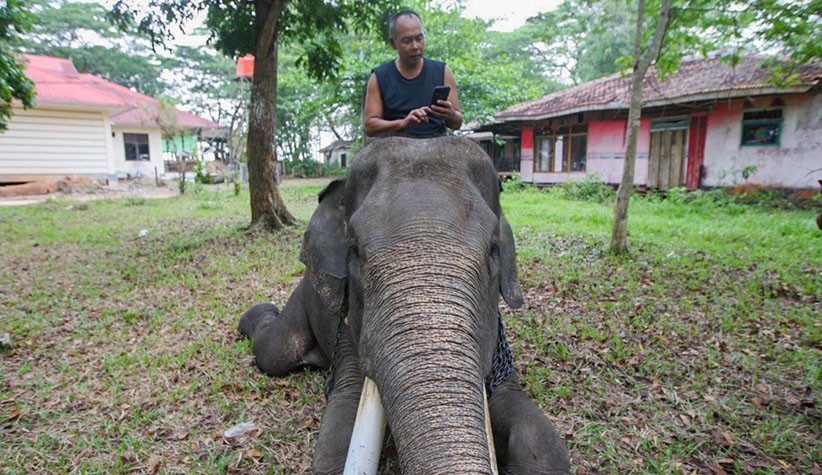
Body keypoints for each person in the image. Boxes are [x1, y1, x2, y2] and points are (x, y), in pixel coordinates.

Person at [364, 10, 463, 138]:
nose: (415, 46)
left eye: (419, 38)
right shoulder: (379, 77)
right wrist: (404, 123)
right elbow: (370, 127)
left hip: (437, 144)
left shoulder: (442, 71)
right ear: (393, 43)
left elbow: (458, 123)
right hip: (393, 146)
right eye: (407, 41)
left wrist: (450, 114)